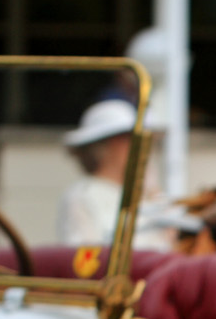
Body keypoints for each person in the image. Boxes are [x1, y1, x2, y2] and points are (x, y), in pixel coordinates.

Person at [56, 99, 176, 251]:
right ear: (104, 145)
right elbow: (86, 259)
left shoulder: (147, 194)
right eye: (128, 139)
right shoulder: (81, 196)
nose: (142, 148)